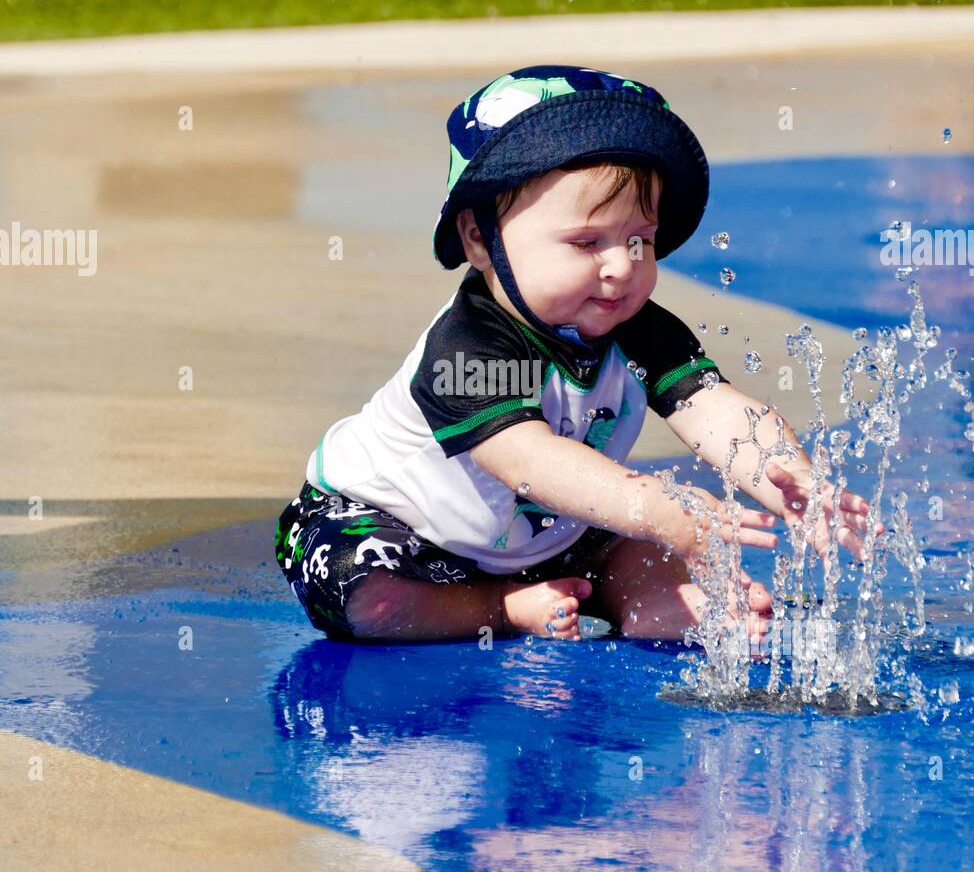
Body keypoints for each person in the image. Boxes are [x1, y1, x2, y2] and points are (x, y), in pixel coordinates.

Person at [274, 65, 878, 645]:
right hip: (395, 528)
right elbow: (527, 461)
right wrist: (657, 508)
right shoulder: (469, 346)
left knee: (637, 548)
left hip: (553, 535)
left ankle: (666, 607)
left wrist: (791, 479)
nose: (622, 266)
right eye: (588, 242)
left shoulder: (636, 328)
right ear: (480, 238)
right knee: (367, 598)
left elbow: (713, 409)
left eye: (639, 239)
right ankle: (497, 608)